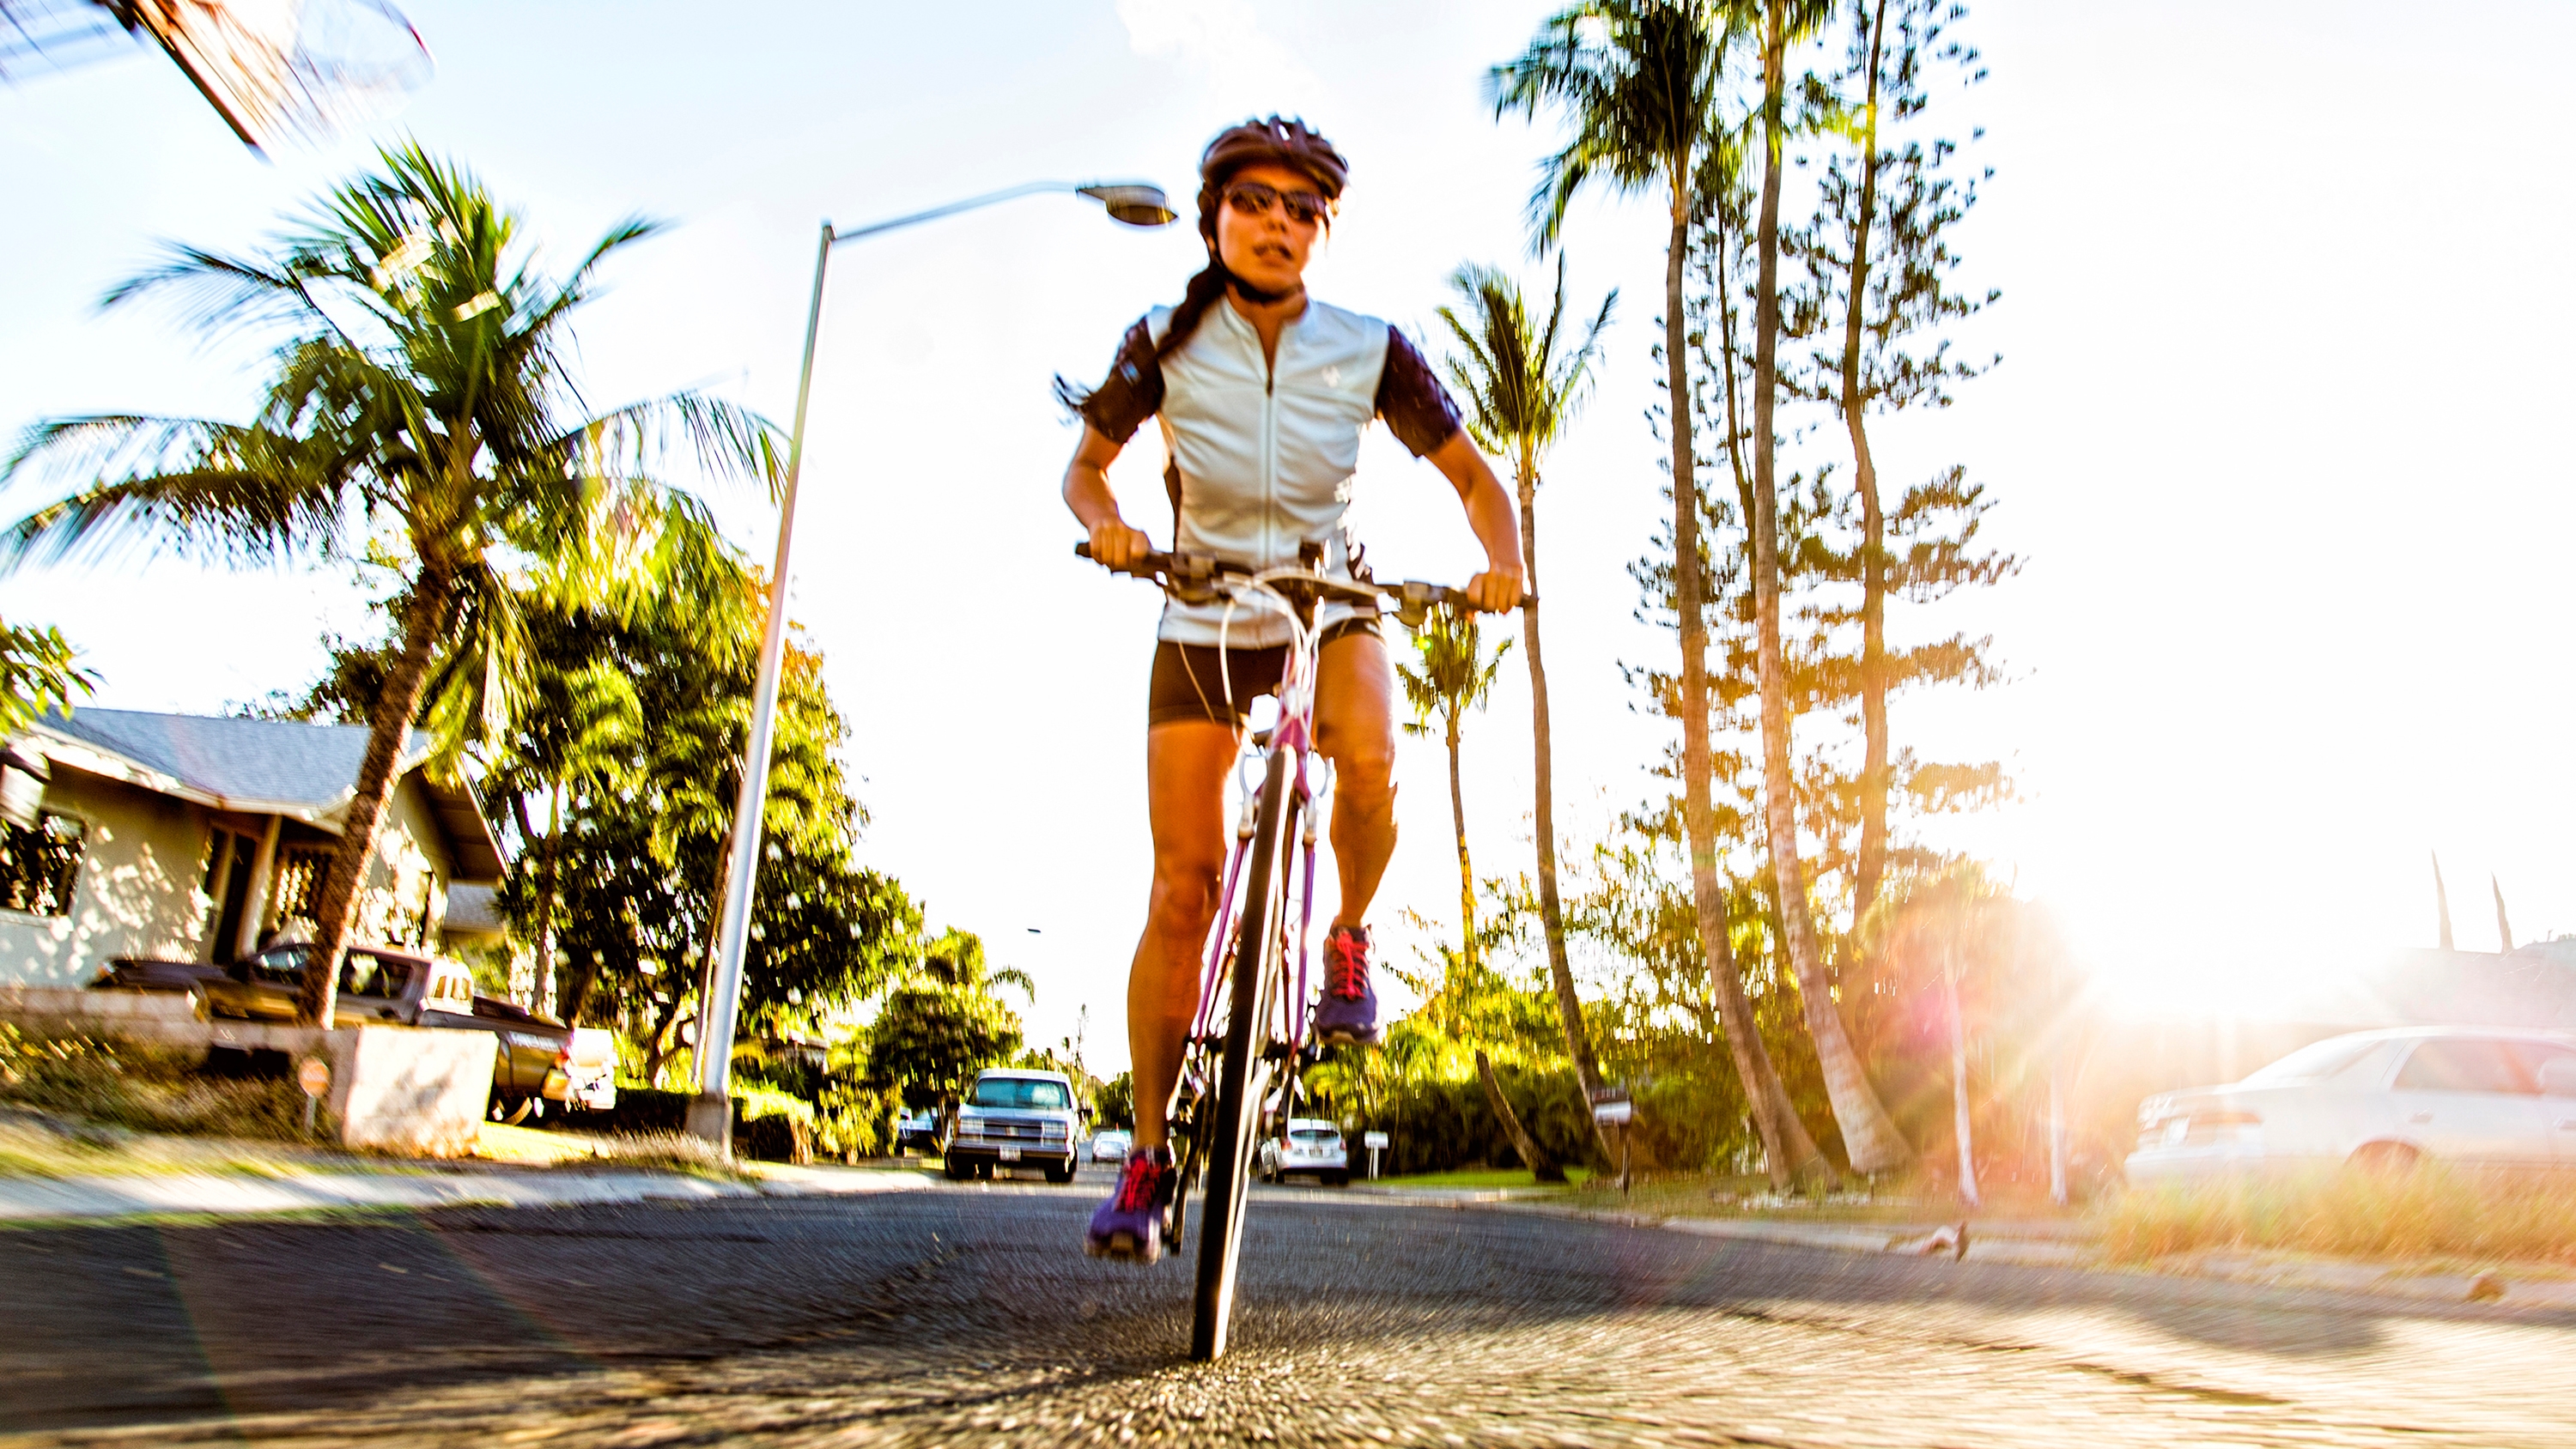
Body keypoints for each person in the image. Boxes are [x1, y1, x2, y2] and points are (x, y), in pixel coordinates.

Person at [1061, 117, 1525, 1261]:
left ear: (1324, 230)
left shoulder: (1370, 348)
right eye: (1255, 202)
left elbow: (1474, 480)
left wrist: (1504, 564)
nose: (1278, 224)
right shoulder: (1163, 342)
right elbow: (1085, 467)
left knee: (1368, 762)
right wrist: (1110, 525)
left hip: (1329, 597)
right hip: (1201, 604)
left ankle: (1347, 939)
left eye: (1302, 209)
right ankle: (1151, 1155)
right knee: (1183, 886)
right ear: (1215, 215)